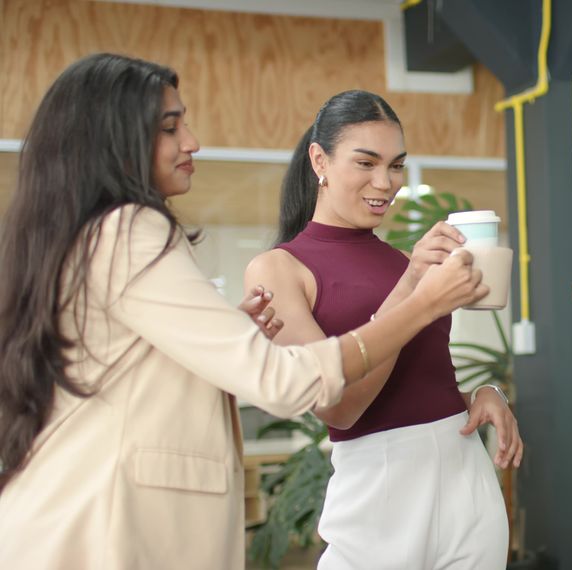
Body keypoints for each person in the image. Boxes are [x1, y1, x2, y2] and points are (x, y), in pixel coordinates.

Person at [0, 53, 486, 569]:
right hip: (104, 529)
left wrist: (231, 337)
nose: (192, 141)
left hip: (73, 520)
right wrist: (422, 301)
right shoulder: (129, 232)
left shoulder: (82, 236)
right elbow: (289, 385)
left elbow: (127, 376)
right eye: (170, 128)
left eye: (394, 166)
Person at [244, 89, 520, 570]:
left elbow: (426, 371)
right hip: (379, 490)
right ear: (319, 160)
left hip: (465, 480)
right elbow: (340, 408)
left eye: (396, 165)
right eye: (366, 163)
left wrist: (485, 390)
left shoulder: (405, 260)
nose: (385, 182)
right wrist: (414, 285)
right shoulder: (278, 270)